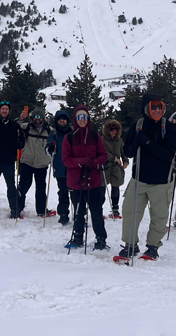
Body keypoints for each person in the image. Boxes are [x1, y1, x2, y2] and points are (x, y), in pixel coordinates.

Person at [120, 93, 176, 260]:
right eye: (154, 107)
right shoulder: (138, 126)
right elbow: (127, 152)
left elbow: (168, 154)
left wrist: (147, 143)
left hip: (161, 181)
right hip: (139, 179)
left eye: (160, 107)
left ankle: (152, 246)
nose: (158, 110)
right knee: (130, 212)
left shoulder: (169, 127)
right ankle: (130, 245)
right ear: (146, 108)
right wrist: (137, 142)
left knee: (159, 216)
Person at [61, 105, 109, 249]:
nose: (82, 120)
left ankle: (101, 239)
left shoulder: (95, 136)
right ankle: (78, 237)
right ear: (75, 119)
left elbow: (104, 154)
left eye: (85, 117)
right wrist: (80, 162)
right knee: (78, 211)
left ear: (88, 119)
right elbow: (65, 159)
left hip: (93, 181)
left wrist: (95, 162)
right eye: (79, 117)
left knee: (96, 212)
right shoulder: (69, 137)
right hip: (76, 181)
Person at [17, 107, 53, 218]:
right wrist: (20, 119)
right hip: (27, 162)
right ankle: (17, 208)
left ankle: (41, 210)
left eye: (40, 117)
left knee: (41, 188)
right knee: (23, 186)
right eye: (35, 117)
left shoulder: (50, 130)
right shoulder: (26, 127)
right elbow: (14, 127)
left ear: (43, 118)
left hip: (42, 164)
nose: (37, 119)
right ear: (32, 117)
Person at [45, 110, 72, 225]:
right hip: (60, 167)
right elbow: (47, 149)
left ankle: (80, 214)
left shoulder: (73, 132)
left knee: (76, 192)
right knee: (63, 192)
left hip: (73, 166)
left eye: (64, 119)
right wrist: (50, 148)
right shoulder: (54, 133)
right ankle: (63, 214)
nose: (62, 121)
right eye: (59, 119)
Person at [101, 119, 129, 218]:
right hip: (105, 167)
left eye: (116, 129)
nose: (114, 131)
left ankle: (115, 209)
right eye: (112, 129)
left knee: (116, 188)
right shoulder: (102, 140)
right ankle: (99, 210)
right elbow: (102, 153)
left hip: (116, 168)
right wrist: (114, 158)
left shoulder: (119, 140)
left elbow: (123, 152)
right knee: (102, 189)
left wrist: (126, 161)